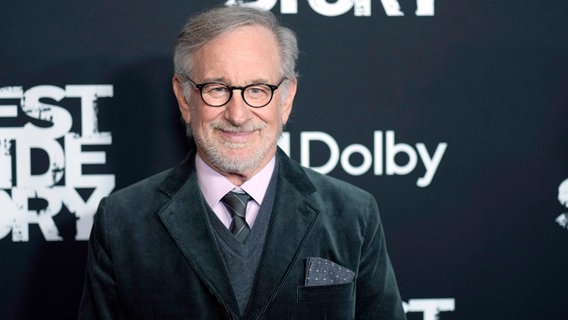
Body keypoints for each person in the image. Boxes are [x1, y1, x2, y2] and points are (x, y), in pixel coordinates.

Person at [79, 5, 406, 320]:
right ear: (184, 98)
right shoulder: (122, 222)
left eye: (257, 89)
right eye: (217, 89)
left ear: (287, 98)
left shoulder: (353, 215)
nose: (238, 115)